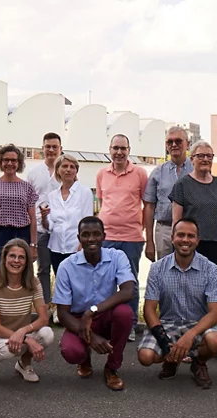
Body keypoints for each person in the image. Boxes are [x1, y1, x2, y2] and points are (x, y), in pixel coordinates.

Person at [137, 218, 217, 389]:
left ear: (198, 240)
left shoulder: (211, 269)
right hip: (168, 323)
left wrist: (190, 335)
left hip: (199, 324)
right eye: (181, 235)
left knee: (215, 341)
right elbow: (149, 309)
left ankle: (198, 362)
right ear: (172, 237)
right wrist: (164, 342)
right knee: (145, 357)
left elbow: (216, 313)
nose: (185, 240)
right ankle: (171, 359)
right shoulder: (157, 268)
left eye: (191, 236)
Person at [54, 217, 136, 391]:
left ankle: (112, 367)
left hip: (105, 316)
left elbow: (128, 291)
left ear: (104, 236)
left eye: (96, 234)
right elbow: (62, 313)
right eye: (85, 235)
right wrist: (90, 337)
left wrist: (92, 312)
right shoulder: (66, 267)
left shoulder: (117, 257)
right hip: (78, 320)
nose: (91, 239)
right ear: (79, 238)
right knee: (71, 352)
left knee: (124, 313)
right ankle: (84, 359)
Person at [170, 140, 217, 361]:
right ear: (192, 159)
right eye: (200, 155)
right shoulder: (182, 185)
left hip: (216, 245)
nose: (205, 159)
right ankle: (188, 342)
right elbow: (176, 221)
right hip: (191, 246)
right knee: (190, 295)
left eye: (209, 155)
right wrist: (177, 247)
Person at [0, 239, 55, 387]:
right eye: (12, 256)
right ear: (4, 259)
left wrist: (23, 332)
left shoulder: (34, 283)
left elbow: (44, 319)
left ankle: (24, 364)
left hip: (20, 334)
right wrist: (27, 339)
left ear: (27, 262)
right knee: (9, 350)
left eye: (21, 257)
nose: (16, 261)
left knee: (47, 334)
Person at [96, 134, 148, 341]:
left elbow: (147, 205)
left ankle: (131, 324)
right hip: (106, 236)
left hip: (131, 238)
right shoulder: (101, 174)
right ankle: (107, 323)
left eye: (123, 148)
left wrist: (140, 229)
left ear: (129, 150)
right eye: (115, 148)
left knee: (130, 282)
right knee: (105, 281)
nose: (119, 152)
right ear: (109, 149)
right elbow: (102, 203)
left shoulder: (140, 174)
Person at [40, 153, 95, 322]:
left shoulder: (84, 192)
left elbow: (87, 220)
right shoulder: (52, 196)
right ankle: (64, 316)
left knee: (79, 285)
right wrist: (44, 218)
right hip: (57, 247)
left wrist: (82, 246)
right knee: (62, 283)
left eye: (72, 167)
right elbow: (50, 227)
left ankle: (82, 318)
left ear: (76, 171)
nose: (68, 169)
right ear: (58, 170)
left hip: (76, 247)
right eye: (65, 166)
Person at [0, 145, 38, 278]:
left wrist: (33, 245)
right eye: (6, 160)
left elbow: (33, 219)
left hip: (22, 235)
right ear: (0, 162)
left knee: (21, 276)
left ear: (19, 163)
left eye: (14, 160)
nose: (10, 163)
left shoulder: (27, 187)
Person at [144, 126, 193, 261]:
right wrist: (149, 241)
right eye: (170, 142)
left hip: (190, 231)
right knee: (165, 272)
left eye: (178, 141)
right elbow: (149, 207)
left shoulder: (196, 170)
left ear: (187, 144)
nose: (174, 145)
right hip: (164, 230)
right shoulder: (157, 173)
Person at [26, 132, 63, 306]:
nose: (51, 150)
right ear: (42, 149)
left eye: (54, 147)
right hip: (40, 229)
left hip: (62, 230)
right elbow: (28, 202)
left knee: (62, 270)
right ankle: (45, 305)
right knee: (43, 269)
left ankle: (62, 306)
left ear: (60, 149)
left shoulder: (66, 171)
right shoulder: (33, 173)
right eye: (47, 146)